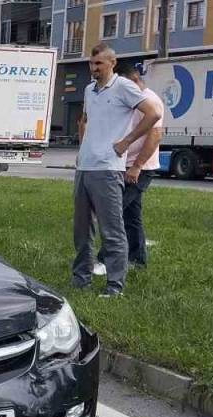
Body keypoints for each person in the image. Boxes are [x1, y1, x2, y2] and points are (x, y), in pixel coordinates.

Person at [73, 43, 161, 297]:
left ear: (112, 63)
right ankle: (81, 279)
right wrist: (82, 149)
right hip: (86, 168)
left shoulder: (123, 87)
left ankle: (114, 285)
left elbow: (153, 114)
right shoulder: (90, 90)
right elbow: (86, 121)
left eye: (99, 64)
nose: (94, 68)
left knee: (112, 229)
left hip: (108, 169)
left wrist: (126, 142)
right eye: (91, 64)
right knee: (81, 230)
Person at [117, 61, 163, 269]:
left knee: (113, 212)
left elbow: (155, 136)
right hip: (124, 165)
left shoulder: (151, 101)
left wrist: (137, 166)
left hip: (140, 169)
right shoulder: (131, 99)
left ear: (134, 79)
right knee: (131, 216)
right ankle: (137, 259)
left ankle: (103, 259)